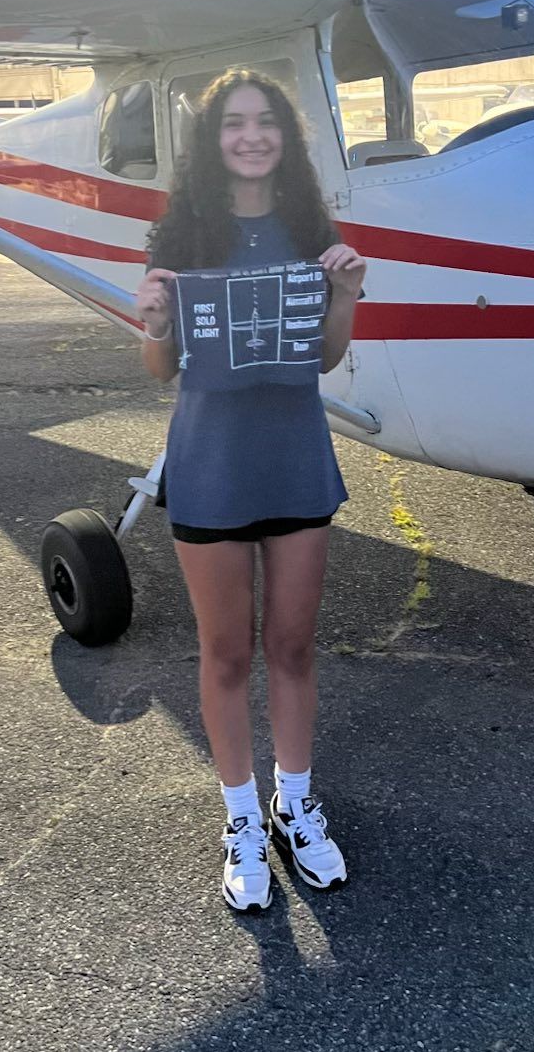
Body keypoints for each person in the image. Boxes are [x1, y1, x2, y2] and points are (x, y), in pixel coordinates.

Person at [135, 69, 366, 913]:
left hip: (294, 459)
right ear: (213, 138)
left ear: (284, 135)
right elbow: (161, 367)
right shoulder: (182, 232)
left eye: (265, 121)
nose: (251, 136)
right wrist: (154, 322)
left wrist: (346, 293)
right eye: (233, 123)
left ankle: (293, 803)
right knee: (226, 652)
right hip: (212, 465)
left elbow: (324, 356)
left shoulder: (310, 228)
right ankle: (240, 818)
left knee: (293, 647)